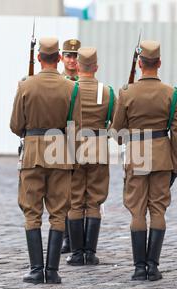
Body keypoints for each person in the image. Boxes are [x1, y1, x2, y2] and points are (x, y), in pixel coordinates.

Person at [111, 40, 177, 281]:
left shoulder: (126, 92)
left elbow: (116, 130)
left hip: (137, 156)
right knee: (158, 210)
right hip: (163, 156)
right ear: (159, 63)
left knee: (137, 212)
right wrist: (176, 164)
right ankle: (153, 267)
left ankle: (138, 268)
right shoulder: (171, 93)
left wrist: (126, 142)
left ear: (140, 63)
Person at [10, 37, 82, 284]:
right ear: (60, 59)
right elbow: (76, 127)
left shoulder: (25, 86)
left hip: (32, 154)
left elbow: (15, 125)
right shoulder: (72, 88)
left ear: (39, 58)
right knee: (58, 212)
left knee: (32, 212)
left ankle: (35, 269)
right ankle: (52, 271)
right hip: (60, 153)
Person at [66, 47, 116, 266]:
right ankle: (90, 253)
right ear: (96, 67)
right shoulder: (107, 91)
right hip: (98, 146)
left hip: (72, 146)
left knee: (75, 200)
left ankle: (77, 254)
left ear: (77, 66)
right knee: (94, 201)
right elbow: (116, 122)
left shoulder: (68, 88)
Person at [60, 38, 81, 253]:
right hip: (60, 140)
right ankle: (66, 237)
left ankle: (81, 239)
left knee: (84, 193)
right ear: (61, 58)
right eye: (68, 55)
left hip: (83, 141)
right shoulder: (57, 82)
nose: (72, 60)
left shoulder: (88, 82)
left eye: (75, 56)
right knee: (63, 192)